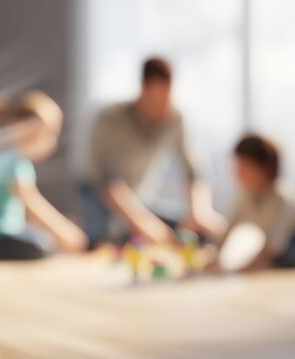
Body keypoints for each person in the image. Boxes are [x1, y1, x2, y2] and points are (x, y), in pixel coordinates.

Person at [82, 57, 225, 248]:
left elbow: (194, 169)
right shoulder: (110, 119)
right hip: (101, 198)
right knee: (108, 236)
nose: (162, 109)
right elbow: (106, 181)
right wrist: (141, 222)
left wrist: (199, 213)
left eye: (167, 99)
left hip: (142, 199)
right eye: (156, 101)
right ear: (142, 90)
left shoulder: (175, 119)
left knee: (189, 233)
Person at [0, 91, 87, 260]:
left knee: (40, 237)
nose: (52, 143)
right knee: (44, 245)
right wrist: (66, 235)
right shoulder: (17, 164)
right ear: (24, 128)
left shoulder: (4, 157)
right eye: (47, 135)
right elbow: (34, 207)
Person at [209, 134, 295, 272]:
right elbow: (227, 233)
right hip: (276, 251)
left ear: (263, 168)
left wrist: (243, 268)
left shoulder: (283, 197)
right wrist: (215, 260)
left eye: (244, 165)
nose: (238, 172)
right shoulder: (245, 198)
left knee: (289, 256)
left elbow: (275, 248)